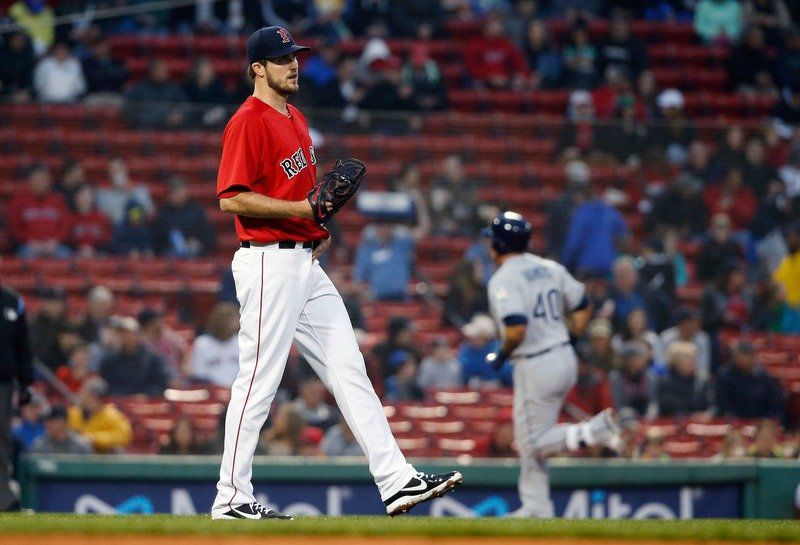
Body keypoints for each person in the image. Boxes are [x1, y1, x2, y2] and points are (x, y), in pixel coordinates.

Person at [211, 26, 461, 521]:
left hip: (304, 260)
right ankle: (231, 497)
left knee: (349, 367)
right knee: (258, 381)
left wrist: (315, 226)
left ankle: (396, 480)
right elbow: (231, 198)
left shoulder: (297, 117)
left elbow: (305, 201)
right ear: (258, 68)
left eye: (295, 56)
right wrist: (301, 212)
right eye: (282, 59)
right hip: (268, 261)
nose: (293, 64)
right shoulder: (248, 121)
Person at [483, 211, 621, 518]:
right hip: (563, 356)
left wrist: (501, 354)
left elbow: (516, 328)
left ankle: (594, 431)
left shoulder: (503, 278)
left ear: (499, 244)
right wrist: (571, 337)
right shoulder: (549, 267)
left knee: (533, 442)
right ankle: (537, 506)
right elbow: (583, 305)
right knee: (532, 438)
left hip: (535, 363)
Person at [9, 165, 72, 259]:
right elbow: (15, 227)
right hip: (28, 245)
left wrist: (55, 240)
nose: (41, 182)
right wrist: (29, 240)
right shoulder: (19, 200)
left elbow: (65, 225)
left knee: (67, 256)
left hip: (54, 245)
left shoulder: (58, 200)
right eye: (37, 179)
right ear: (30, 181)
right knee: (27, 256)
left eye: (44, 179)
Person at [98, 316, 169, 396]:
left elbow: (160, 384)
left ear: (138, 336)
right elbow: (107, 385)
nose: (126, 337)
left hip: (147, 401)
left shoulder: (153, 359)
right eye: (122, 334)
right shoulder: (109, 360)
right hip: (118, 400)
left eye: (129, 334)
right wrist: (126, 395)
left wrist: (144, 394)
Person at [716, 341, 783, 418]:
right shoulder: (724, 376)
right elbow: (722, 403)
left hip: (759, 420)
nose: (742, 361)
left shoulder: (765, 377)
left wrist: (767, 418)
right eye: (738, 358)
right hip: (734, 420)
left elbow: (774, 402)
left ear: (753, 358)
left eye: (745, 358)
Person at [153, 177, 216, 257]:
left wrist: (199, 243)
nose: (177, 195)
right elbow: (157, 238)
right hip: (170, 252)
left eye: (180, 191)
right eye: (174, 192)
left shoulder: (196, 211)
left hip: (193, 253)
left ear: (186, 192)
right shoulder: (163, 213)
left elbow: (209, 236)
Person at [67, 377, 132, 453]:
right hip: (76, 455)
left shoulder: (112, 415)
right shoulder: (73, 413)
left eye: (83, 393)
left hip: (103, 456)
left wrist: (93, 438)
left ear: (93, 396)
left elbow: (122, 437)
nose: (80, 395)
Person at [124, 59, 188, 128]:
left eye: (163, 70)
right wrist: (160, 118)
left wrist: (179, 114)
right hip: (144, 129)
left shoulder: (175, 90)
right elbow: (129, 110)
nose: (161, 73)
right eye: (158, 70)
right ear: (151, 72)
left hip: (170, 129)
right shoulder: (139, 90)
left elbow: (186, 107)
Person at [188, 303, 240, 387]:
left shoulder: (241, 342)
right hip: (211, 390)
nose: (234, 325)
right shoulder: (201, 343)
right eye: (228, 321)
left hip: (239, 389)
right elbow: (198, 375)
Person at [656, 341, 712, 417]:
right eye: (687, 359)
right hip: (672, 420)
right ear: (675, 362)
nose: (692, 362)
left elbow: (711, 406)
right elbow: (666, 406)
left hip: (698, 422)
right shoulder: (665, 381)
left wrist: (706, 414)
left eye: (693, 359)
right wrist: (689, 415)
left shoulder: (702, 381)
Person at [457, 313, 511, 388]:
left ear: (485, 337)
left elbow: (506, 370)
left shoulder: (498, 348)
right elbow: (462, 368)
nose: (472, 340)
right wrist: (474, 380)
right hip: (472, 388)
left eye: (477, 337)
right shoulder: (466, 348)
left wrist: (495, 381)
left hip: (501, 388)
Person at [660, 308, 712, 381]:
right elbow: (661, 362)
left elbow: (703, 365)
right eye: (690, 324)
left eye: (695, 324)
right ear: (680, 325)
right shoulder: (667, 337)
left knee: (703, 376)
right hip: (670, 374)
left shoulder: (702, 339)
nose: (693, 327)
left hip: (693, 376)